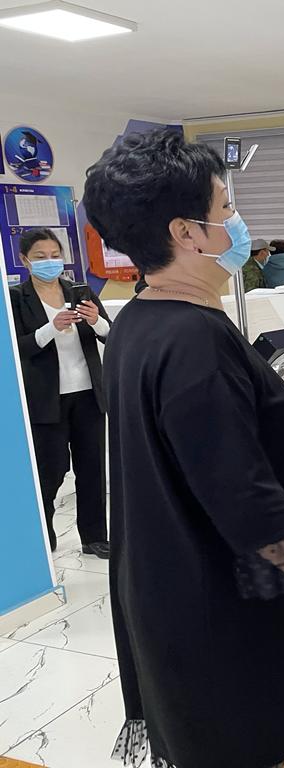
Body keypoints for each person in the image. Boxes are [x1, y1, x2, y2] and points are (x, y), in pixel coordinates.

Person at [82, 128, 284, 768]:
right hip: (222, 598)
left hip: (169, 584)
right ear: (187, 233)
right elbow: (239, 492)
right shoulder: (193, 340)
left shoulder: (137, 324)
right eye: (225, 208)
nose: (237, 222)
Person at [9, 229, 111, 557]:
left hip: (88, 394)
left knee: (92, 469)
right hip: (45, 399)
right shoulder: (15, 298)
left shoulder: (80, 291)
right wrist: (51, 328)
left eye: (55, 255)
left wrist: (95, 321)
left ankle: (94, 536)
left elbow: (110, 334)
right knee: (50, 471)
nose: (49, 262)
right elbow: (16, 347)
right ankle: (44, 534)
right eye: (40, 257)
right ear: (24, 260)